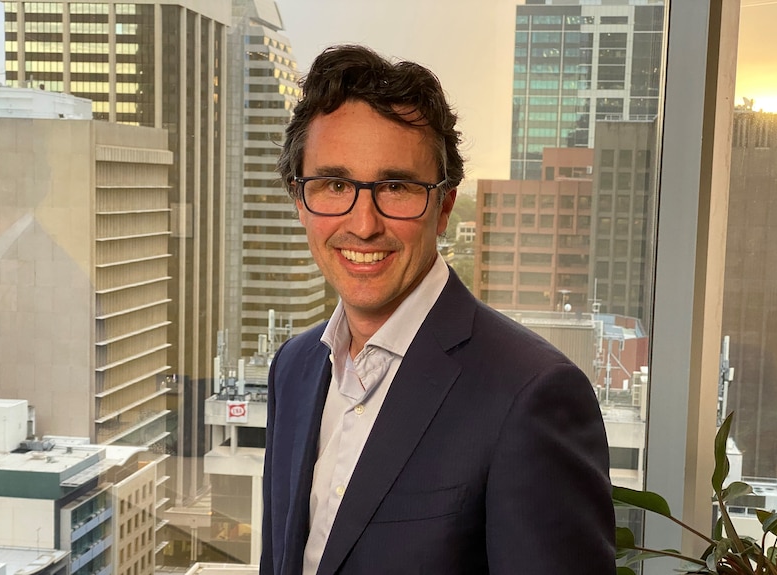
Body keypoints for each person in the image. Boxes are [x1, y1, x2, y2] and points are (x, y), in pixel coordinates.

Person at [261, 44, 615, 575]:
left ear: (444, 206)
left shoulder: (531, 395)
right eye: (335, 184)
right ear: (299, 198)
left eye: (396, 187)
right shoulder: (293, 368)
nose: (363, 224)